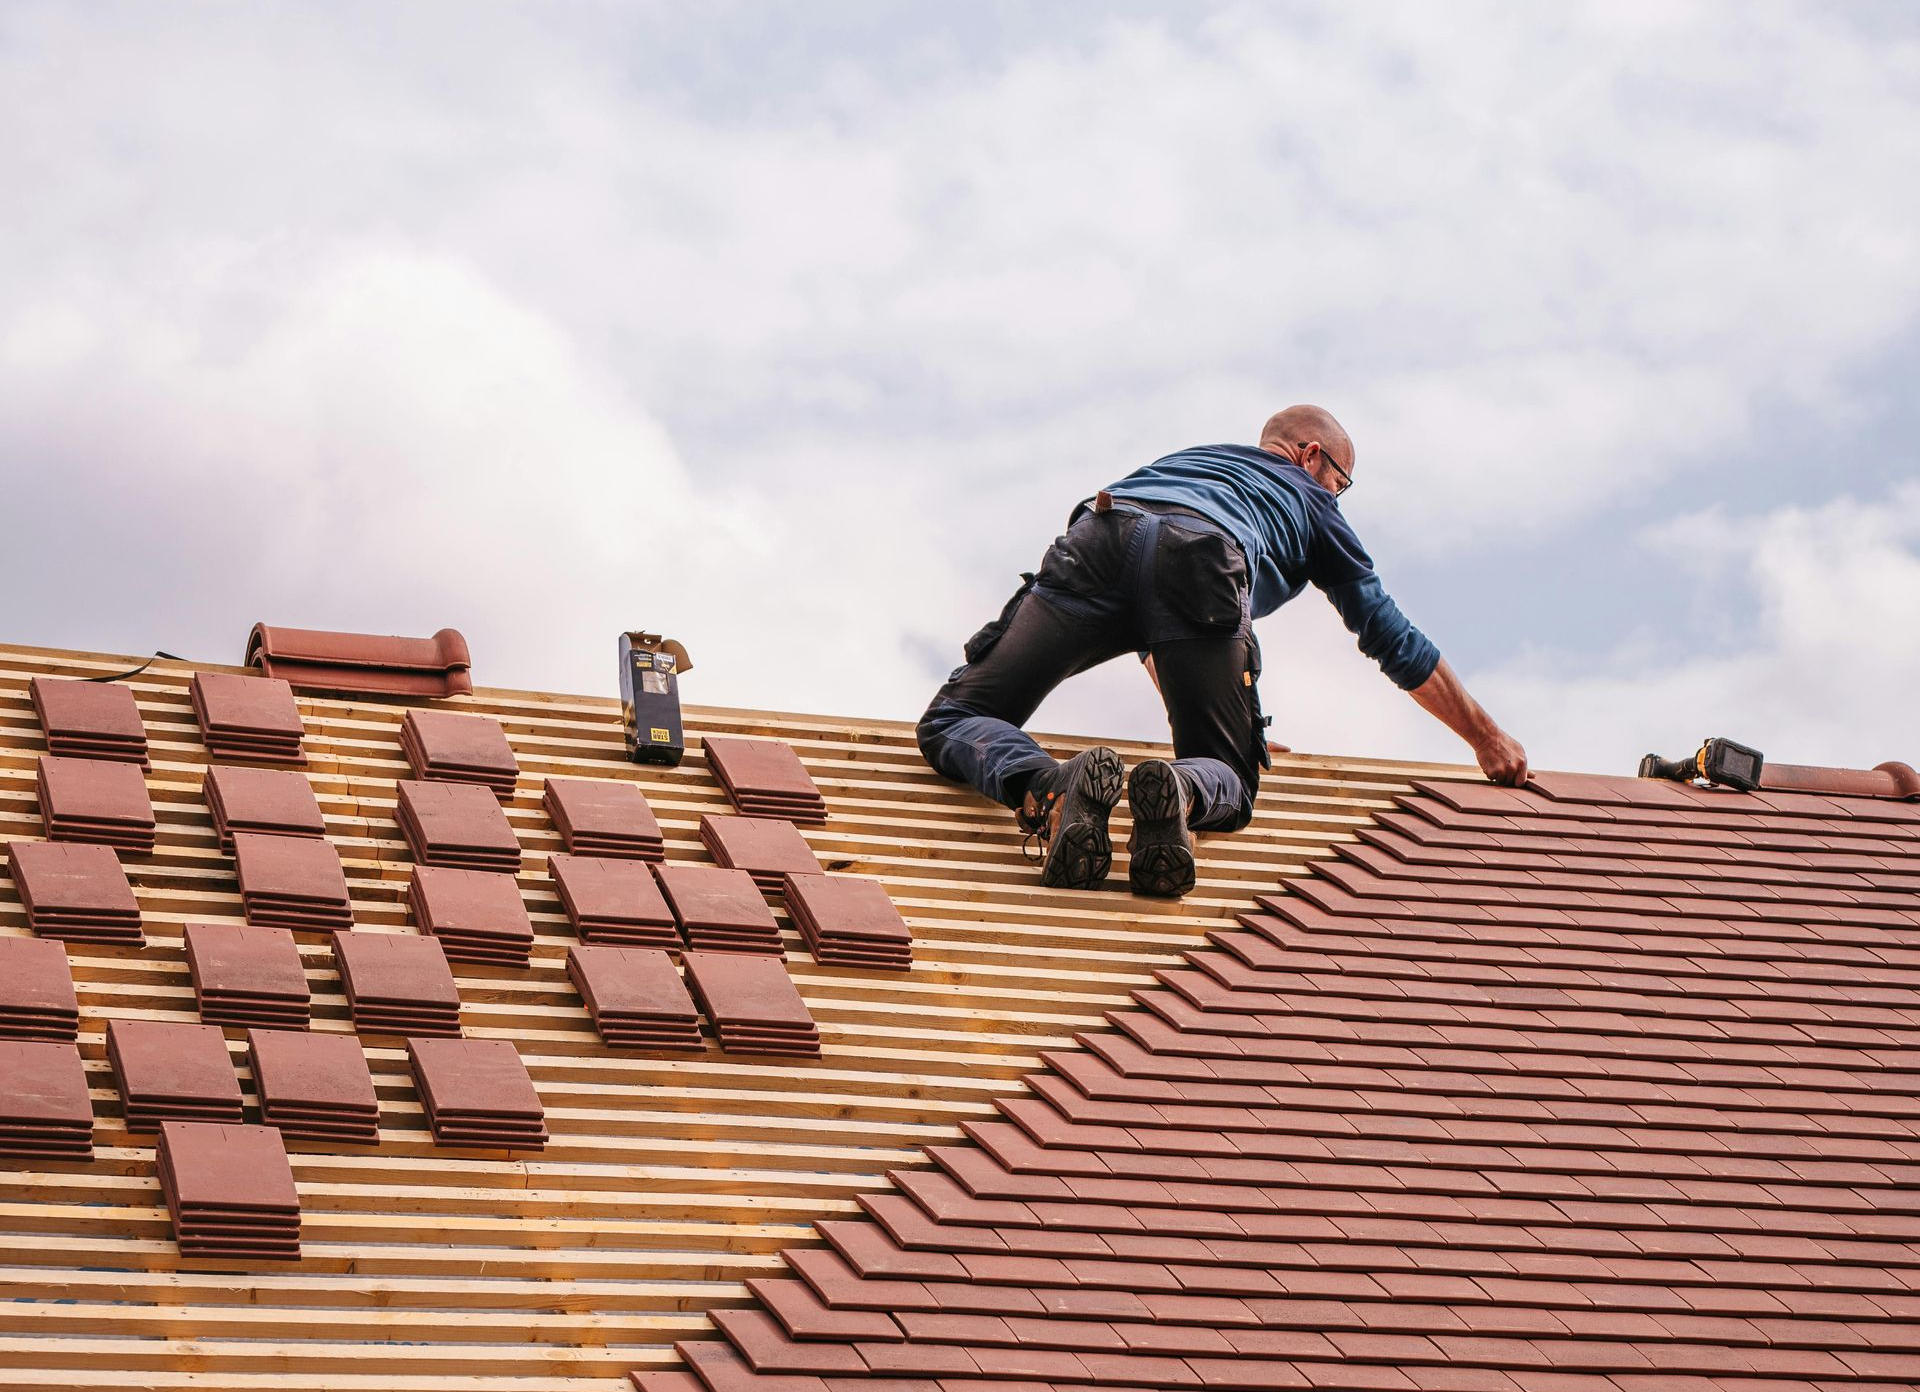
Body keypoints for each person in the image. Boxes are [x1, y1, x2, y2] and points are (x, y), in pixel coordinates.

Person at [915, 404, 1529, 899]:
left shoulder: (1188, 462)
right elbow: (1389, 634)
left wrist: (1237, 718)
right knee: (1228, 774)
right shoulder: (1310, 500)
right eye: (1341, 483)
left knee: (955, 718)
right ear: (1312, 456)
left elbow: (1146, 591)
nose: (1337, 497)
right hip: (1204, 561)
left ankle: (1045, 786)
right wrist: (1485, 738)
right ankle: (1183, 788)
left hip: (1101, 532)